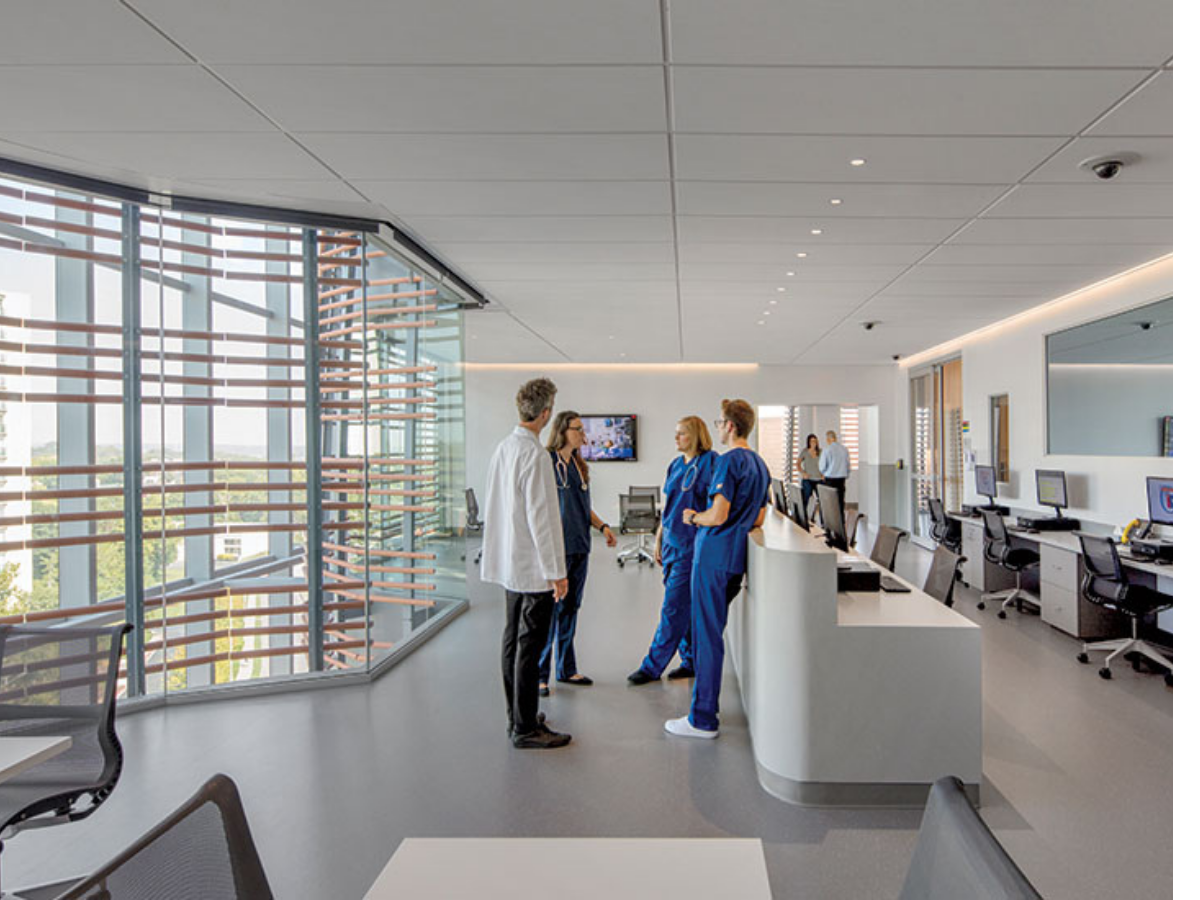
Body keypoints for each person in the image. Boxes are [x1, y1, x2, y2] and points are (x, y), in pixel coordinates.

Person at [667, 399, 770, 739]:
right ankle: (703, 711)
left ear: (729, 426)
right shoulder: (759, 464)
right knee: (711, 632)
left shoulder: (727, 463)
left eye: (720, 422)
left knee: (706, 637)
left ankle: (703, 718)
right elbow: (758, 518)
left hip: (712, 557)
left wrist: (694, 517)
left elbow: (718, 514)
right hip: (734, 559)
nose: (718, 427)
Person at [480, 378, 571, 749]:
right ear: (546, 413)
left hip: (510, 564)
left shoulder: (504, 448)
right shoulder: (535, 455)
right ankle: (525, 729)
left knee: (511, 642)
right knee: (529, 647)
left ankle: (518, 715)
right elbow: (543, 519)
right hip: (532, 569)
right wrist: (557, 572)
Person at [627, 416, 717, 686]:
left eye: (682, 434)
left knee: (673, 608)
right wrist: (658, 539)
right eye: (675, 433)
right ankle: (689, 660)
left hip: (692, 547)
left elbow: (716, 506)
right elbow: (669, 508)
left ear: (696, 436)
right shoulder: (676, 466)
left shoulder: (711, 464)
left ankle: (652, 667)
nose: (676, 438)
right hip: (671, 542)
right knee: (683, 608)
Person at [539, 411, 618, 696]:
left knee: (571, 609)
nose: (583, 434)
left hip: (579, 547)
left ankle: (566, 669)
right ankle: (540, 675)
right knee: (550, 612)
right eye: (578, 429)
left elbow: (582, 508)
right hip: (557, 550)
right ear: (562, 430)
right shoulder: (547, 463)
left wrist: (603, 527)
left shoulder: (578, 465)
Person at [818, 429, 851, 517]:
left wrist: (823, 473)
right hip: (841, 479)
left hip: (829, 479)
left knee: (828, 502)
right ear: (835, 438)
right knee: (840, 501)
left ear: (828, 439)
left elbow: (822, 467)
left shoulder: (827, 449)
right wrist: (846, 475)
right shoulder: (844, 449)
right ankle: (841, 521)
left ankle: (829, 521)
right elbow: (848, 465)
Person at [797, 433, 823, 514]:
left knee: (822, 501)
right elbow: (798, 464)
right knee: (805, 499)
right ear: (808, 442)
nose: (813, 443)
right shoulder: (804, 452)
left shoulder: (820, 452)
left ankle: (823, 522)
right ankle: (802, 517)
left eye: (815, 441)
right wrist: (803, 473)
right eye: (811, 441)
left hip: (819, 479)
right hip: (808, 479)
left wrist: (824, 474)